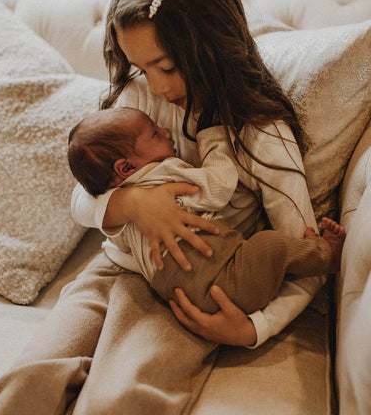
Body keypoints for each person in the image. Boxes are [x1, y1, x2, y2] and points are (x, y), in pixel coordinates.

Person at [0, 0, 337, 415]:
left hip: (188, 287)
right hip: (113, 269)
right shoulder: (140, 99)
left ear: (211, 46)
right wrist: (132, 205)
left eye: (166, 67)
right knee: (25, 383)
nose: (156, 86)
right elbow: (82, 197)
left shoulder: (260, 133)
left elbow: (302, 250)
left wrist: (257, 327)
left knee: (122, 399)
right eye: (142, 68)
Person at [68, 106, 344, 315]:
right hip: (218, 276)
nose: (165, 131)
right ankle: (325, 256)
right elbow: (218, 187)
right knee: (269, 245)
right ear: (126, 167)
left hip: (175, 290)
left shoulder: (112, 200)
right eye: (154, 133)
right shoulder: (164, 173)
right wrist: (213, 139)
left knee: (263, 257)